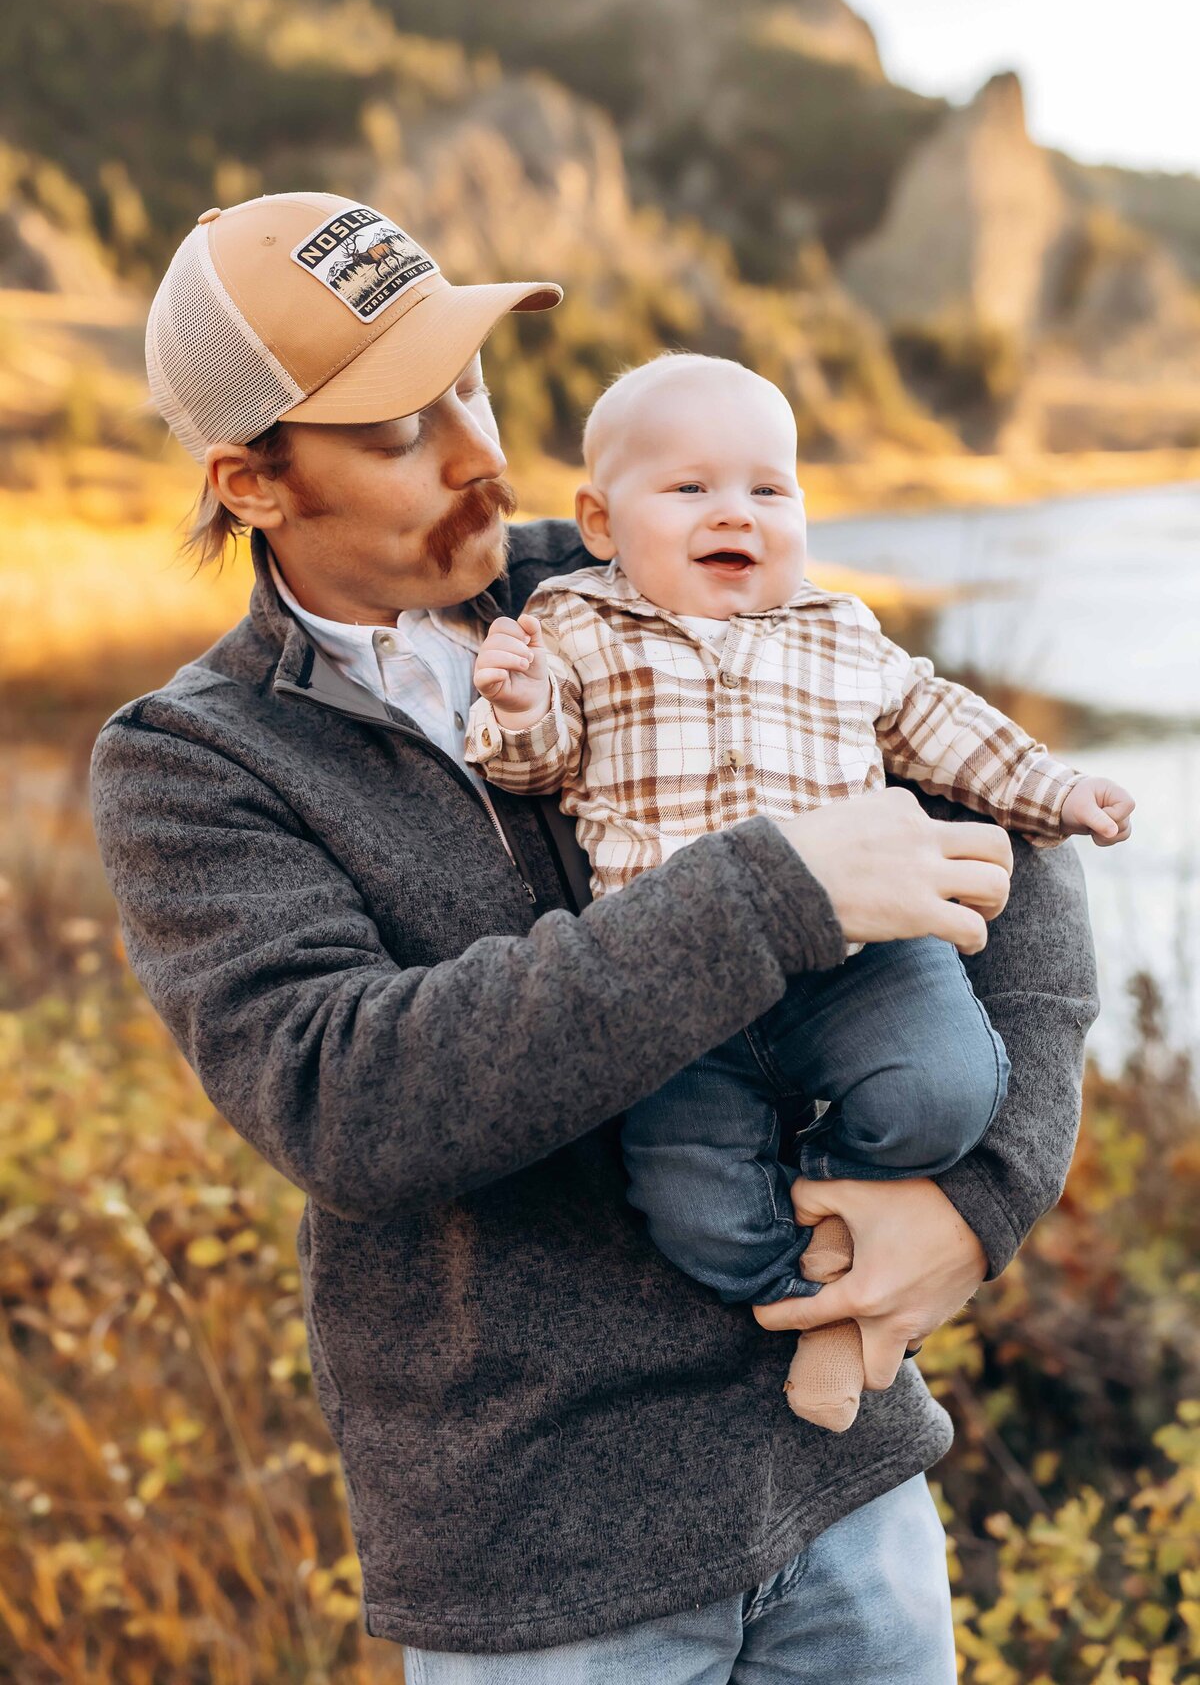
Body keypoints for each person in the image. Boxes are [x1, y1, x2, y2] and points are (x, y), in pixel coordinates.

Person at [90, 192, 1099, 1684]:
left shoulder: (647, 553)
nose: (478, 453)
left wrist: (987, 1195)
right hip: (548, 1565)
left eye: (469, 384)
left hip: (843, 1474)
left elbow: (999, 808)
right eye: (393, 432)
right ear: (250, 482)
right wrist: (777, 890)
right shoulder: (195, 760)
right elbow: (349, 1102)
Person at [464, 351, 1133, 1433]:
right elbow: (534, 765)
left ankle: (836, 1201)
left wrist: (1059, 788)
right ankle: (811, 1297)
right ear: (600, 521)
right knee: (695, 1208)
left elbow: (942, 728)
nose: (737, 513)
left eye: (769, 490)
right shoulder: (574, 624)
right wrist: (521, 700)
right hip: (674, 990)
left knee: (946, 1092)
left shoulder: (840, 628)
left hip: (861, 962)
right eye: (690, 490)